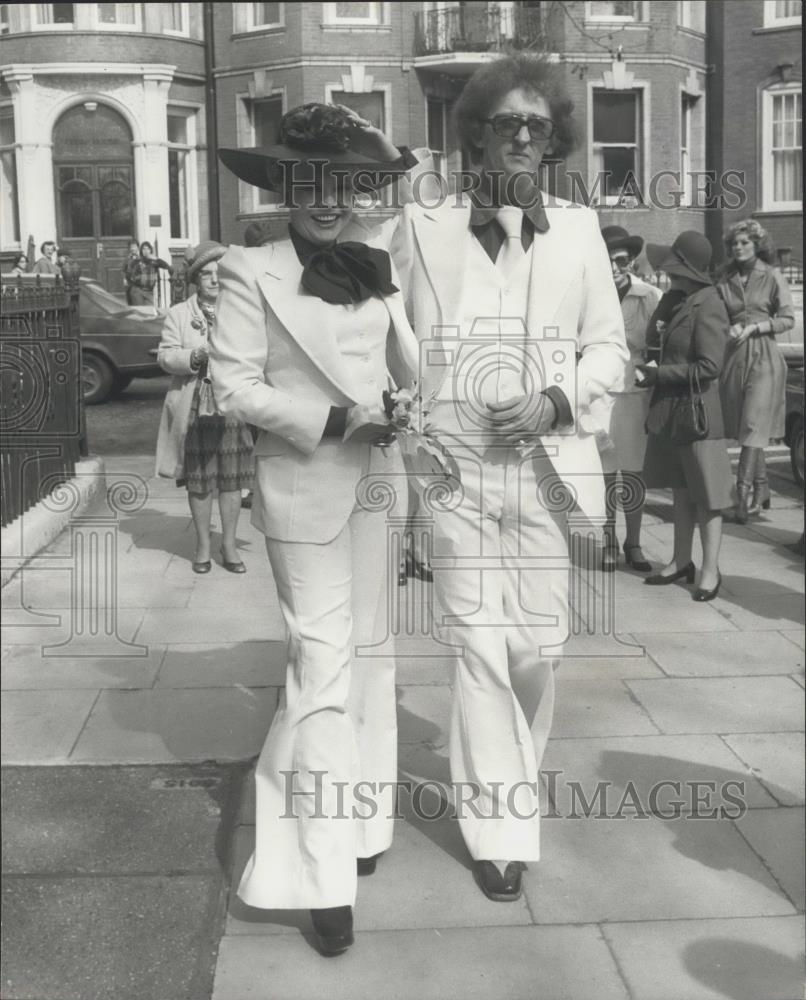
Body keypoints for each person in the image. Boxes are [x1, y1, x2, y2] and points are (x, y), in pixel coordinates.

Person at [390, 55, 628, 903]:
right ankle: (500, 830)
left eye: (537, 125)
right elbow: (388, 334)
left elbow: (611, 348)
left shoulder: (580, 227)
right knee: (478, 648)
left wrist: (558, 399)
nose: (523, 136)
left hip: (547, 470)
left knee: (536, 649)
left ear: (554, 136)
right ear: (476, 133)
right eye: (506, 123)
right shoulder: (423, 226)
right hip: (454, 473)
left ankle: (509, 783)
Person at [210, 103, 419, 955]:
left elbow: (405, 364)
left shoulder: (376, 262)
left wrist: (403, 407)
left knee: (370, 663)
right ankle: (314, 872)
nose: (328, 198)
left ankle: (361, 828)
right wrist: (338, 421)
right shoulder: (245, 270)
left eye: (345, 182)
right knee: (320, 670)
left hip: (378, 488)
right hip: (306, 486)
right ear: (284, 187)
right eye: (309, 182)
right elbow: (233, 390)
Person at [640, 231, 733, 602]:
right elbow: (653, 339)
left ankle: (710, 570)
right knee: (680, 489)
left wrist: (659, 374)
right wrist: (665, 306)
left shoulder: (710, 304)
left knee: (707, 496)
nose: (667, 276)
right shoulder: (679, 300)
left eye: (675, 272)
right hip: (674, 411)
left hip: (699, 414)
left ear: (691, 272)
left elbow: (710, 366)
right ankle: (681, 560)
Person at [155, 241, 254, 574]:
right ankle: (202, 545)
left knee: (231, 478)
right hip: (196, 404)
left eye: (219, 274)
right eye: (206, 274)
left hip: (232, 405)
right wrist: (192, 357)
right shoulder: (180, 314)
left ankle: (228, 545)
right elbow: (165, 356)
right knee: (199, 479)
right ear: (195, 280)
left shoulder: (241, 311)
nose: (214, 280)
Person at [592, 226, 662, 572]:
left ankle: (632, 542)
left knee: (633, 472)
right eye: (608, 260)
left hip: (634, 395)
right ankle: (607, 539)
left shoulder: (649, 296)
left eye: (620, 260)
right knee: (605, 472)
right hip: (600, 392)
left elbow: (662, 347)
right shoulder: (591, 293)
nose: (615, 267)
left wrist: (647, 367)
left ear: (631, 260)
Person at [717, 219, 795, 522]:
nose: (738, 247)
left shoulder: (773, 275)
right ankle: (762, 487)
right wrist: (729, 326)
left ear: (757, 244)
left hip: (764, 356)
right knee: (746, 427)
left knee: (752, 424)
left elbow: (788, 319)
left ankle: (743, 496)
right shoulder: (724, 278)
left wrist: (757, 326)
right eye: (734, 243)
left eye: (745, 242)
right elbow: (716, 315)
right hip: (734, 357)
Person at [128, 240, 173, 308]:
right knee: (141, 313)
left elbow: (166, 266)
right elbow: (130, 274)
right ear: (141, 251)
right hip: (138, 290)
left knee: (150, 313)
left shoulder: (154, 262)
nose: (145, 251)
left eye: (147, 248)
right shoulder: (137, 261)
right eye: (143, 249)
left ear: (150, 250)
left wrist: (156, 259)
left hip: (149, 292)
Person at [122, 239, 140, 305]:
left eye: (134, 246)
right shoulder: (127, 259)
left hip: (138, 284)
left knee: (138, 302)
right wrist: (124, 279)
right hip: (129, 284)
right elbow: (124, 270)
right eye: (131, 247)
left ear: (138, 247)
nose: (132, 248)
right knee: (130, 301)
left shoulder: (141, 258)